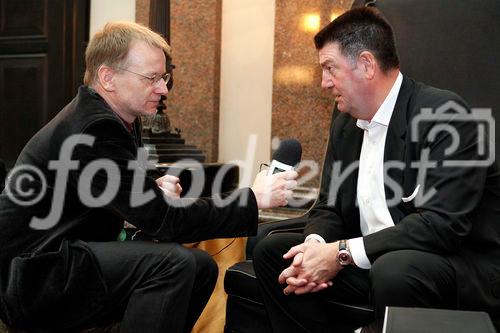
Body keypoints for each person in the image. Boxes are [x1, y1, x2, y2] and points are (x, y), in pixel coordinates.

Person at [0, 22, 297, 332]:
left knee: (200, 266)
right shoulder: (94, 128)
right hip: (35, 278)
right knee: (174, 264)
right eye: (151, 78)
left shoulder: (114, 118)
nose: (163, 89)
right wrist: (253, 198)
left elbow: (111, 193)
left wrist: (148, 189)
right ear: (108, 77)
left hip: (64, 259)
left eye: (163, 77)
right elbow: (164, 220)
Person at [253, 6, 500, 333]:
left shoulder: (447, 117)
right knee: (275, 252)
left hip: (451, 264)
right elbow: (328, 206)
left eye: (330, 68)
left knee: (395, 269)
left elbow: (440, 227)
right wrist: (315, 247)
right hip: (371, 258)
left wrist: (341, 253)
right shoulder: (345, 125)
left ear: (367, 65)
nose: (324, 83)